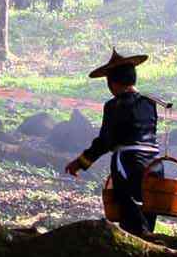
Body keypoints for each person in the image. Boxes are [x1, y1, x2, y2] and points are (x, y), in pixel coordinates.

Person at [63, 50, 160, 236]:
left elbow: (105, 142)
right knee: (148, 202)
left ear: (112, 83)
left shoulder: (113, 105)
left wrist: (80, 162)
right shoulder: (151, 103)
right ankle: (148, 237)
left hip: (128, 161)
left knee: (125, 203)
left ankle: (143, 240)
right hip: (154, 163)